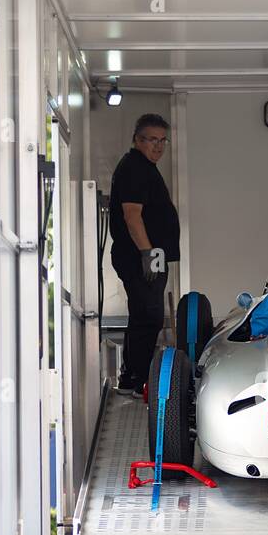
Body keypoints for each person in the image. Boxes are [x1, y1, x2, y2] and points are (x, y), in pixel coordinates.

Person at [108, 113, 180, 395]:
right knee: (148, 315)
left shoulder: (144, 167)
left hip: (149, 255)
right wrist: (148, 253)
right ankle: (137, 380)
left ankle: (132, 377)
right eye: (152, 140)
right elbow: (132, 214)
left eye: (163, 140)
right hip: (142, 256)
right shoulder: (135, 168)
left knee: (144, 315)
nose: (159, 146)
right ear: (137, 140)